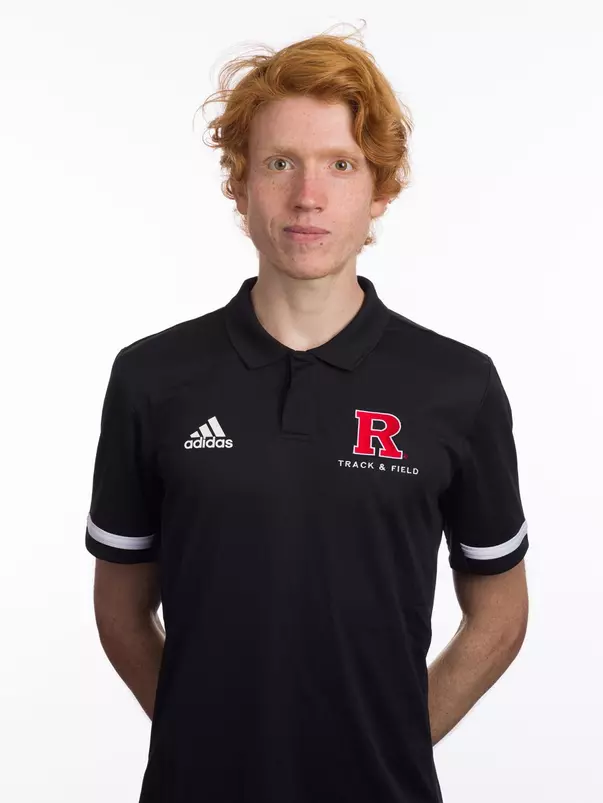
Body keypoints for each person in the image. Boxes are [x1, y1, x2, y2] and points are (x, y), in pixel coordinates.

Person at [85, 23, 529, 803]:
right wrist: (202, 737)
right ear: (240, 183)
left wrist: (392, 733)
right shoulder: (153, 377)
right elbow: (121, 610)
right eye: (279, 163)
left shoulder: (456, 385)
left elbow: (498, 608)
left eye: (340, 164)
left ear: (380, 189)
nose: (307, 196)